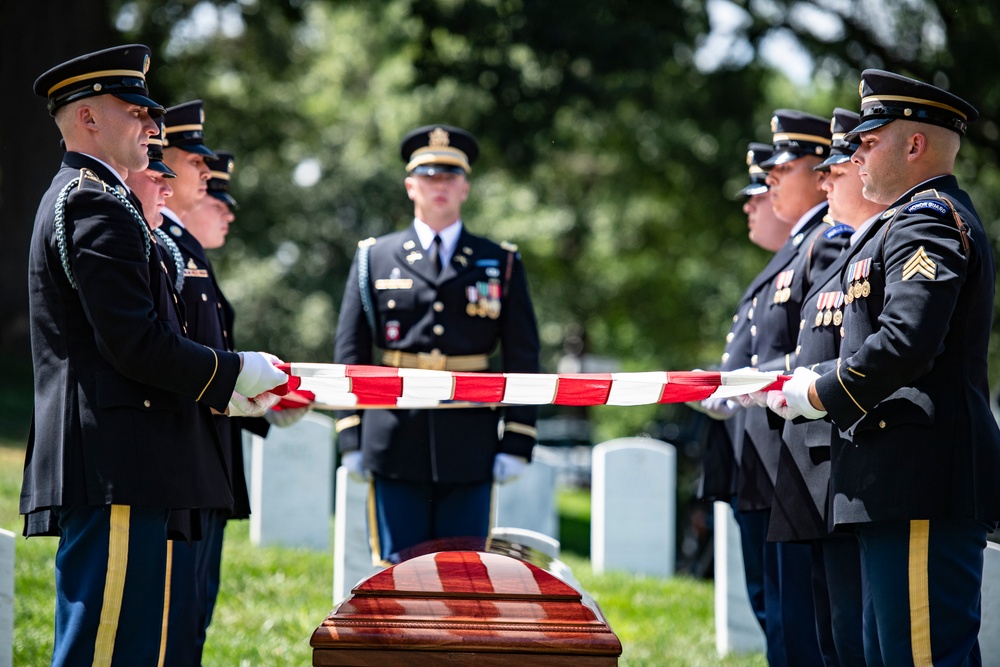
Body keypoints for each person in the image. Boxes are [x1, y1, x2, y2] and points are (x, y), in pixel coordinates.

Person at [21, 44, 287, 666]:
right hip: (117, 459)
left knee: (134, 645)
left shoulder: (105, 201)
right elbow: (134, 341)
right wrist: (232, 373)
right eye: (135, 111)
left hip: (132, 458)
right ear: (87, 118)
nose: (151, 127)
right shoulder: (92, 200)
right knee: (105, 647)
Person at [771, 70, 1000, 667]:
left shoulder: (925, 220)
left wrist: (820, 393)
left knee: (920, 657)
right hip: (895, 479)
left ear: (915, 145)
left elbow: (908, 340)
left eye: (869, 142)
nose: (855, 154)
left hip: (921, 478)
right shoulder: (904, 222)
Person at [333, 124, 541, 563]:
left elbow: (522, 355)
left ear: (465, 187)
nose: (439, 186)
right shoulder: (375, 257)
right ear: (411, 186)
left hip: (470, 440)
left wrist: (518, 438)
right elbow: (351, 352)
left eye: (449, 176)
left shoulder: (499, 260)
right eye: (429, 176)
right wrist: (350, 434)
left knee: (465, 572)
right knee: (396, 570)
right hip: (393, 438)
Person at [158, 110, 309, 664]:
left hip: (207, 463)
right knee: (173, 627)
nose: (225, 213)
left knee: (191, 624)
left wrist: (264, 408)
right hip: (183, 464)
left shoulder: (190, 257)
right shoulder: (167, 250)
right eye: (216, 195)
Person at [764, 108, 883, 667]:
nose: (827, 180)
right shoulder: (842, 247)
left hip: (842, 458)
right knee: (829, 631)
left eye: (838, 170)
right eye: (828, 170)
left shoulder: (855, 248)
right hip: (814, 460)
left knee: (852, 637)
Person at [738, 109, 850, 667]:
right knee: (784, 616)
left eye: (783, 169)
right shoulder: (797, 247)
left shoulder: (825, 243)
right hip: (772, 449)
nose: (770, 181)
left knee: (803, 622)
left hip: (801, 450)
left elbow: (820, 348)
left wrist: (750, 379)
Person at [694, 141, 782, 628]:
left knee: (793, 621)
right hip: (753, 463)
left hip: (779, 467)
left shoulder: (820, 250)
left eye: (762, 192)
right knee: (771, 610)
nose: (750, 205)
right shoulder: (772, 271)